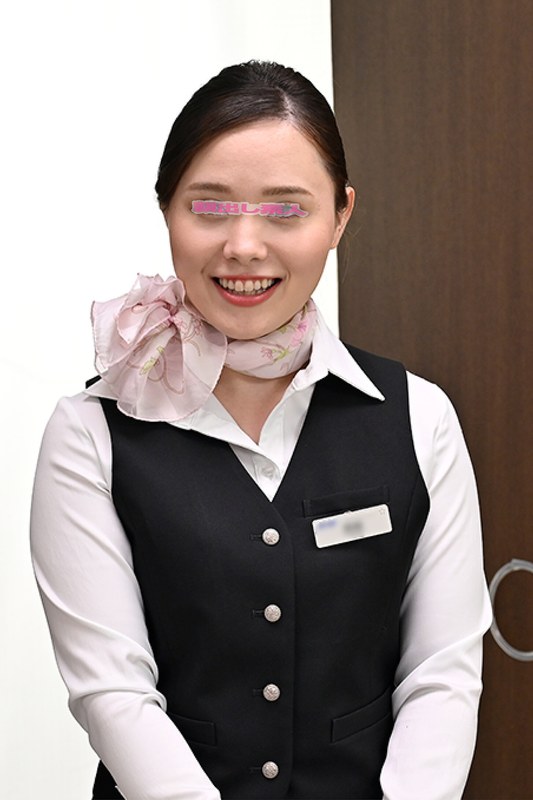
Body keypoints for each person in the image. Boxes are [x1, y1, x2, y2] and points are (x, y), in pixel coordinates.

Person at [30, 60, 492, 800]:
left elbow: (441, 676)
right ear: (165, 208)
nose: (244, 246)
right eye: (209, 207)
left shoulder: (420, 417)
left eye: (286, 210)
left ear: (340, 215)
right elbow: (112, 692)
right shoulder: (90, 433)